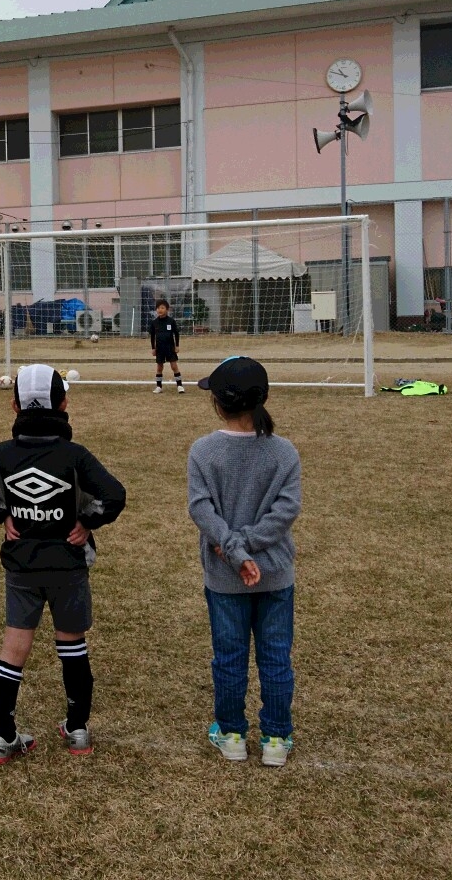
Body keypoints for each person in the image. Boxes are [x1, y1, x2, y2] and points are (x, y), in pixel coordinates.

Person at [0, 364, 125, 763]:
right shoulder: (74, 455)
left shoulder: (4, 453)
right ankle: (78, 730)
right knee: (73, 646)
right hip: (68, 565)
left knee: (13, 650)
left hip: (22, 567)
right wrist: (86, 521)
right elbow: (114, 495)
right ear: (64, 404)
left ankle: (3, 737)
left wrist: (4, 514)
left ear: (14, 407)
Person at [188, 356, 300, 767]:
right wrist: (247, 549)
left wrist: (234, 549)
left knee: (230, 655)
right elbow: (286, 511)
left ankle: (232, 732)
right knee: (275, 656)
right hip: (275, 574)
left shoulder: (203, 450)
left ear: (218, 403)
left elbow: (201, 510)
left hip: (224, 575)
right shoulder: (283, 451)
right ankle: (275, 738)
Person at [147, 299, 184, 394]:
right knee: (159, 368)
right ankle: (159, 386)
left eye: (162, 308)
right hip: (159, 348)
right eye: (158, 308)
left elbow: (176, 333)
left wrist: (177, 346)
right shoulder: (154, 322)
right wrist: (153, 348)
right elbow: (152, 336)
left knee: (174, 366)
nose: (160, 310)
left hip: (170, 348)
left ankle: (179, 385)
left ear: (167, 309)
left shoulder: (171, 321)